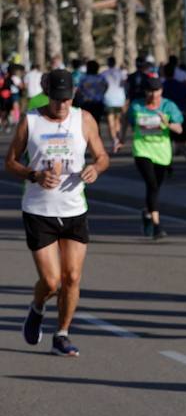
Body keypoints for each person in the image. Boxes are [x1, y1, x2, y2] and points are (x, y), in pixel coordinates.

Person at [5, 69, 110, 357]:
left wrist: (95, 168)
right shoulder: (31, 120)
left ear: (73, 95)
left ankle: (62, 334)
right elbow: (10, 162)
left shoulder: (84, 119)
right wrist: (33, 175)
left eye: (65, 99)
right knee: (51, 282)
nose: (61, 105)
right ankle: (37, 307)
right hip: (39, 210)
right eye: (55, 99)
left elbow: (102, 156)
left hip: (75, 208)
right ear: (47, 94)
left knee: (72, 277)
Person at [127, 71, 185, 239]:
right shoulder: (136, 105)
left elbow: (179, 129)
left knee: (155, 188)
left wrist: (166, 123)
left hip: (162, 152)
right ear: (145, 91)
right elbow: (127, 121)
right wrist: (119, 138)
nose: (154, 94)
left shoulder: (168, 106)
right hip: (142, 149)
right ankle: (157, 225)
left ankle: (147, 212)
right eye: (150, 91)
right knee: (152, 185)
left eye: (157, 91)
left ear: (161, 90)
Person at [162, 58, 186, 169]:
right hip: (181, 116)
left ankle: (168, 163)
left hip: (167, 118)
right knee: (181, 142)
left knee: (167, 142)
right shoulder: (181, 86)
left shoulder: (162, 87)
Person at [100, 57, 128, 151]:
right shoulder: (121, 73)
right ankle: (118, 138)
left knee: (110, 120)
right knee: (118, 120)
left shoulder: (104, 73)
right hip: (120, 98)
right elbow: (124, 84)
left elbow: (102, 86)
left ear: (108, 63)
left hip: (109, 98)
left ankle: (115, 140)